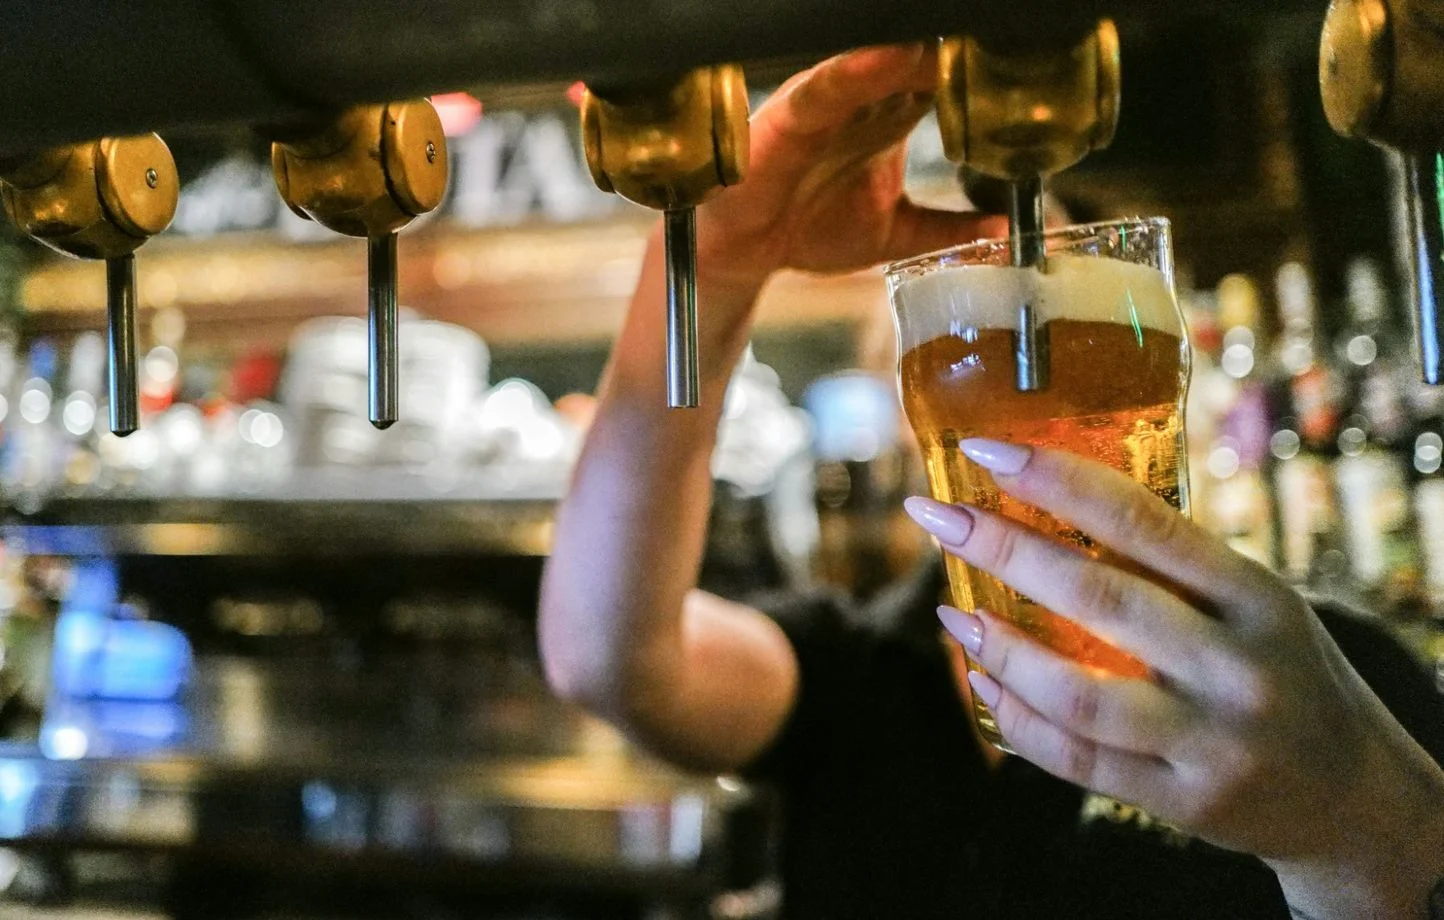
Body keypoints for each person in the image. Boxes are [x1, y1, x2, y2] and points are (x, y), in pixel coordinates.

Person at [537, 43, 1444, 920]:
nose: (1024, 358)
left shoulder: (1334, 695)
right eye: (983, 332)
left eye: (1051, 287)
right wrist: (720, 259)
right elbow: (605, 659)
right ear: (909, 397)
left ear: (1165, 357)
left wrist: (1367, 830)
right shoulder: (857, 677)